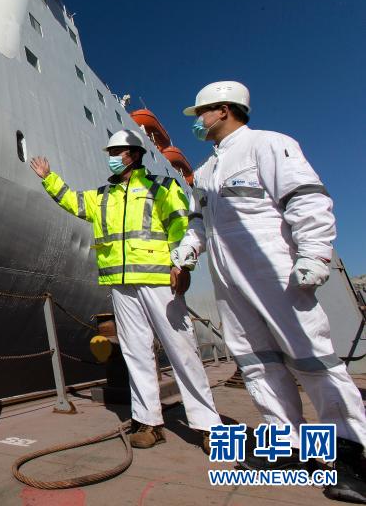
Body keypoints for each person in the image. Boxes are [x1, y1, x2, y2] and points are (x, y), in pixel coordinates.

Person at [172, 81, 366, 502]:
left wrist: (314, 253)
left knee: (312, 360)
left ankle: (352, 457)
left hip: (274, 271)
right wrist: (186, 254)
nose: (197, 121)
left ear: (224, 110)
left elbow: (306, 199)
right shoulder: (203, 172)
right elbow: (198, 224)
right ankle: (287, 448)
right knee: (256, 362)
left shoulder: (268, 145)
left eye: (201, 113)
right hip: (229, 278)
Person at [31, 130, 221, 450]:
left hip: (159, 279)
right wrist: (49, 178)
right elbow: (75, 202)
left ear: (132, 154)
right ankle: (148, 422)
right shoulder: (104, 195)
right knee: (135, 352)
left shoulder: (162, 187)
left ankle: (208, 426)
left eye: (116, 151)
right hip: (121, 283)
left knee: (182, 350)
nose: (111, 157)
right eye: (110, 152)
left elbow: (180, 225)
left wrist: (183, 266)